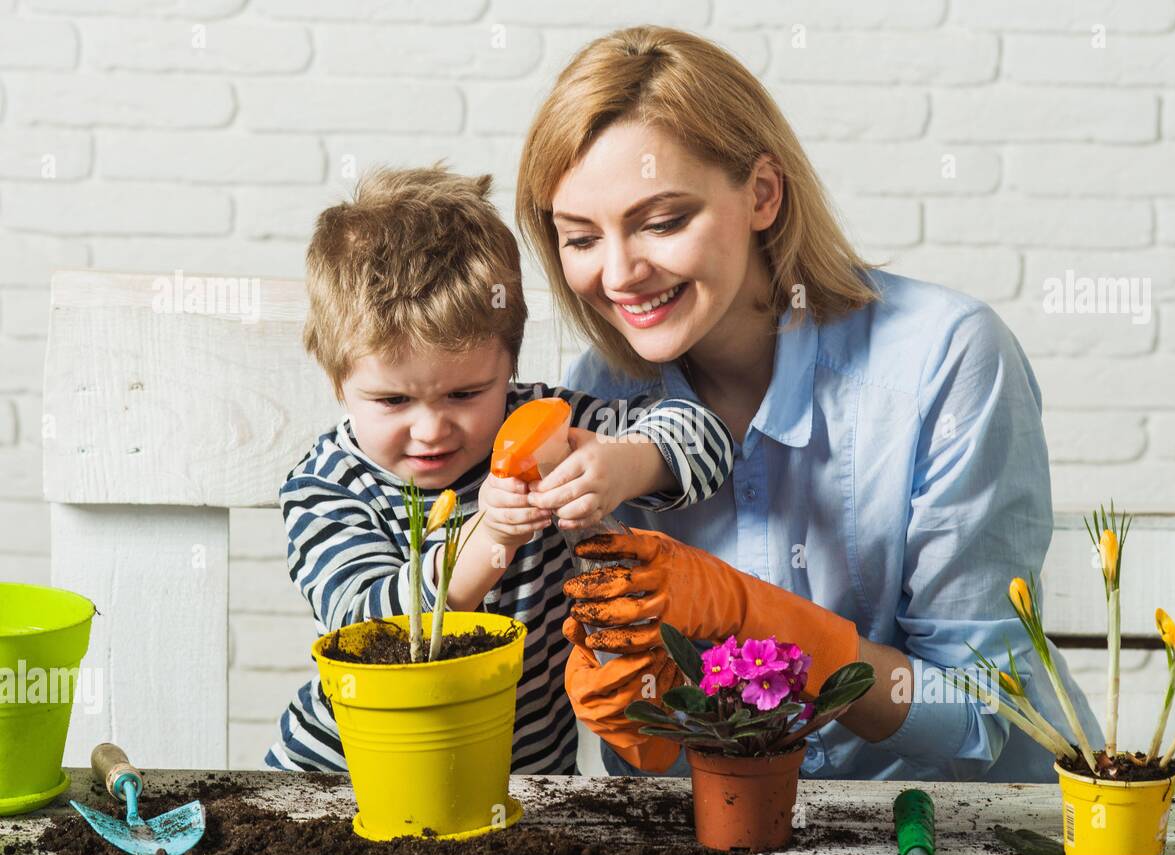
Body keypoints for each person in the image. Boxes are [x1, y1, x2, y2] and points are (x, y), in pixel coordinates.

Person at [515, 26, 1103, 781]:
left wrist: (758, 622)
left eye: (661, 222)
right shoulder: (604, 393)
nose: (620, 273)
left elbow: (983, 707)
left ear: (762, 193)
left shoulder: (947, 359)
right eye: (580, 237)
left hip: (968, 821)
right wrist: (629, 705)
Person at [264, 163, 734, 774]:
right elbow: (372, 628)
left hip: (524, 780)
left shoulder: (544, 426)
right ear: (338, 382)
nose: (431, 428)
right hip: (351, 774)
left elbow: (706, 436)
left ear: (508, 366)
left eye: (465, 394)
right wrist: (487, 540)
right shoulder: (326, 486)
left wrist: (624, 464)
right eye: (392, 401)